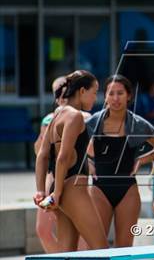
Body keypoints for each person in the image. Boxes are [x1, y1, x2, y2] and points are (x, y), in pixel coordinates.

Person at [86, 74, 154, 247]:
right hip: (99, 189)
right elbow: (74, 147)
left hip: (127, 191)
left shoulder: (137, 124)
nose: (115, 98)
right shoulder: (94, 122)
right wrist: (89, 163)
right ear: (106, 96)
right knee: (96, 247)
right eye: (111, 93)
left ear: (129, 96)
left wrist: (141, 160)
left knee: (124, 248)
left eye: (120, 93)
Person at [34, 70, 108, 251]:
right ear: (82, 91)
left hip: (58, 187)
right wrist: (57, 193)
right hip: (73, 187)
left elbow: (43, 155)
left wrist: (41, 191)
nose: (95, 98)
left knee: (66, 252)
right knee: (102, 249)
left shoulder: (56, 115)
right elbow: (63, 157)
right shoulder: (74, 116)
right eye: (94, 92)